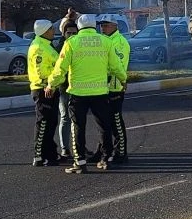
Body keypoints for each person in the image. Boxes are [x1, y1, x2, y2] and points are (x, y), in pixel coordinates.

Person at [46, 14, 126, 174]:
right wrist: (123, 79)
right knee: (104, 126)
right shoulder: (106, 42)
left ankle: (80, 162)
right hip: (100, 92)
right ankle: (105, 159)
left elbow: (60, 68)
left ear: (79, 27)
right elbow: (116, 66)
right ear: (94, 26)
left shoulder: (71, 42)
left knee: (77, 127)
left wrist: (51, 84)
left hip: (78, 94)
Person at [97, 13, 131, 164]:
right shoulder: (104, 40)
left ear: (115, 26)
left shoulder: (120, 42)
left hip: (115, 87)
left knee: (116, 121)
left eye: (106, 25)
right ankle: (102, 150)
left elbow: (117, 66)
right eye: (101, 26)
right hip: (102, 87)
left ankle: (121, 152)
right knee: (104, 123)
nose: (103, 28)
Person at [27, 19, 61, 166]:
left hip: (51, 88)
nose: (53, 31)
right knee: (43, 123)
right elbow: (41, 72)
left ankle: (50, 153)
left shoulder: (46, 45)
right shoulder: (39, 48)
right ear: (44, 31)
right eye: (51, 29)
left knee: (51, 123)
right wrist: (49, 83)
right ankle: (39, 155)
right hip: (43, 89)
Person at [53, 15, 80, 163]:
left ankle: (79, 148)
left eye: (74, 33)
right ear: (63, 33)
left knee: (77, 119)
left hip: (78, 87)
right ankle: (65, 148)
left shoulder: (79, 45)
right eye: (68, 33)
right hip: (64, 87)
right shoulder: (59, 47)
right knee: (65, 118)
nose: (71, 35)